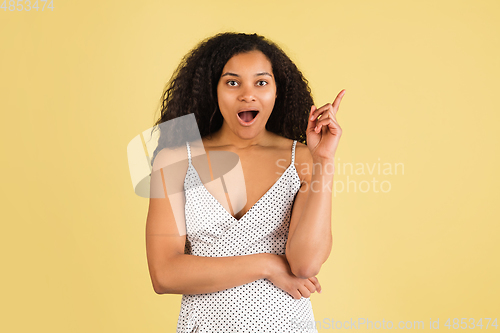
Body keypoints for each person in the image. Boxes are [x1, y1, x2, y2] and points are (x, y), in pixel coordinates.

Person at [145, 32, 345, 332]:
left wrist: (324, 163)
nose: (247, 94)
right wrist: (267, 265)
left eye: (261, 82)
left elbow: (305, 265)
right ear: (214, 89)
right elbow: (164, 274)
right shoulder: (174, 161)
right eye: (232, 82)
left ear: (277, 92)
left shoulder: (301, 159)